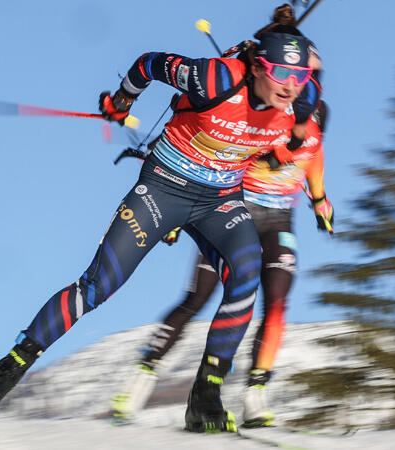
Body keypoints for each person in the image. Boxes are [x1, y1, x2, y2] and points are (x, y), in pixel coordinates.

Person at [0, 25, 320, 434]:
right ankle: (7, 368)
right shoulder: (214, 78)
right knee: (99, 285)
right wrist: (121, 100)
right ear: (257, 67)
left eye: (300, 76)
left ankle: (206, 396)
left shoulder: (304, 101)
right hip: (164, 189)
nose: (290, 86)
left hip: (220, 200)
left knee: (246, 277)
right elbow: (148, 63)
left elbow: (291, 139)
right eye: (280, 73)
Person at [109, 100, 333, 428]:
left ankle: (255, 395)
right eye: (297, 130)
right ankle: (140, 378)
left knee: (276, 304)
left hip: (278, 225)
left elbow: (316, 184)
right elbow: (211, 153)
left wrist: (322, 209)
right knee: (197, 299)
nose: (302, 138)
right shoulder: (264, 130)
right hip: (233, 215)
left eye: (310, 134)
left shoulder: (313, 145)